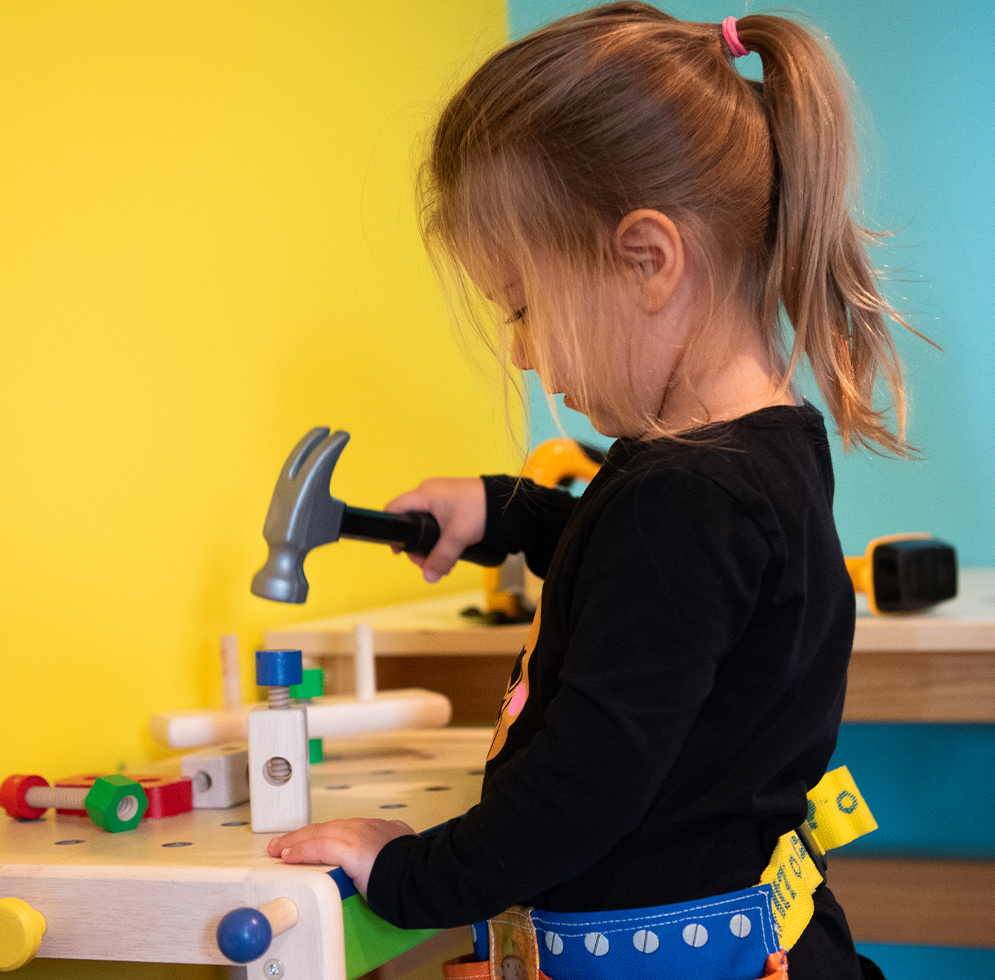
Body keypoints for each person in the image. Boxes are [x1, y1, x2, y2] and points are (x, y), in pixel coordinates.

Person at [267, 4, 917, 977]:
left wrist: (408, 870)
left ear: (648, 260)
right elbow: (655, 588)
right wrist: (507, 511)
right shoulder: (759, 456)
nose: (523, 353)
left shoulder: (683, 498)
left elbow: (580, 789)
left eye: (524, 306)